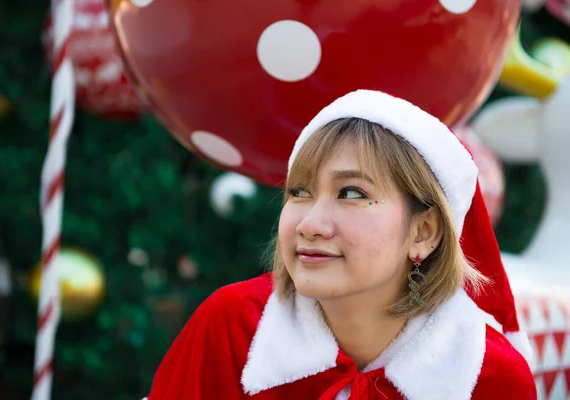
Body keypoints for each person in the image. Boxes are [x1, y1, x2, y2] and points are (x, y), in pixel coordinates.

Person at [145, 90, 537, 399]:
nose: (310, 224)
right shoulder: (233, 327)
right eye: (299, 192)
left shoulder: (489, 377)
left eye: (351, 193)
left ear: (424, 233)